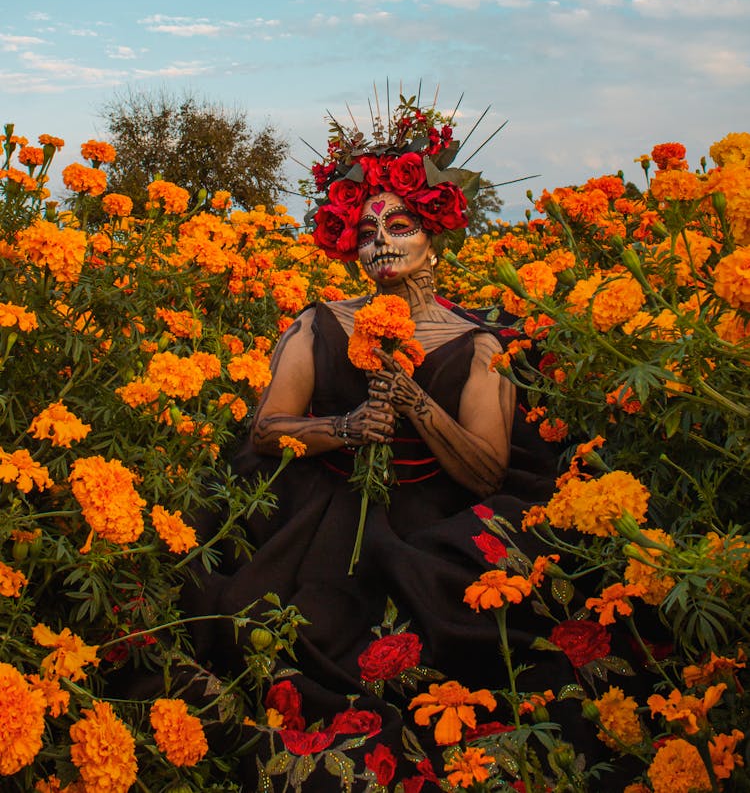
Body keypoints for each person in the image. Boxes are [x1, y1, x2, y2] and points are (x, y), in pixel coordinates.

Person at [183, 102, 620, 791]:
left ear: (433, 237)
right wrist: (347, 428)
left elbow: (486, 469)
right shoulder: (320, 323)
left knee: (486, 628)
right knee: (289, 621)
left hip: (435, 516)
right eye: (365, 232)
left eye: (400, 226)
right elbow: (267, 425)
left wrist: (414, 399)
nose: (380, 243)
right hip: (325, 508)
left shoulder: (480, 343)